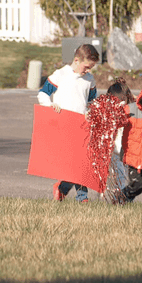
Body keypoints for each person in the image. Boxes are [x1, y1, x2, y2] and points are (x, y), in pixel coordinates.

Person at [37, 44, 100, 202]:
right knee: (74, 163)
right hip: (63, 124)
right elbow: (43, 93)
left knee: (81, 162)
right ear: (77, 60)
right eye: (86, 67)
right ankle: (71, 192)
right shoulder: (61, 74)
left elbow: (92, 101)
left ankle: (73, 193)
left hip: (82, 125)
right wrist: (50, 105)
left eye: (91, 68)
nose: (87, 71)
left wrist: (90, 112)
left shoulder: (89, 80)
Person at [103, 78, 135, 203]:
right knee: (113, 175)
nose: (120, 104)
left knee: (124, 175)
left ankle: (122, 198)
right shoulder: (107, 111)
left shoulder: (132, 111)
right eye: (116, 101)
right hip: (112, 150)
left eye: (123, 101)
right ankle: (115, 198)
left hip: (125, 150)